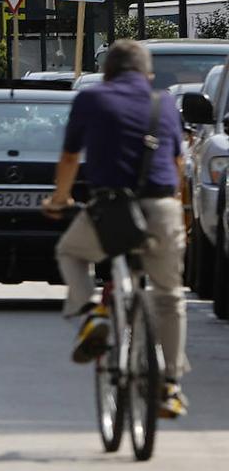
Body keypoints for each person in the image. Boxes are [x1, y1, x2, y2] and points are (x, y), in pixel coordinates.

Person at [43, 40, 189, 418]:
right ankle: (169, 385)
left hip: (110, 210)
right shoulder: (165, 103)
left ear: (107, 72)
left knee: (71, 251)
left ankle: (93, 313)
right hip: (161, 208)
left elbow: (71, 156)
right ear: (148, 74)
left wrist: (59, 200)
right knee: (170, 296)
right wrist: (177, 214)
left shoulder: (91, 100)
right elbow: (176, 164)